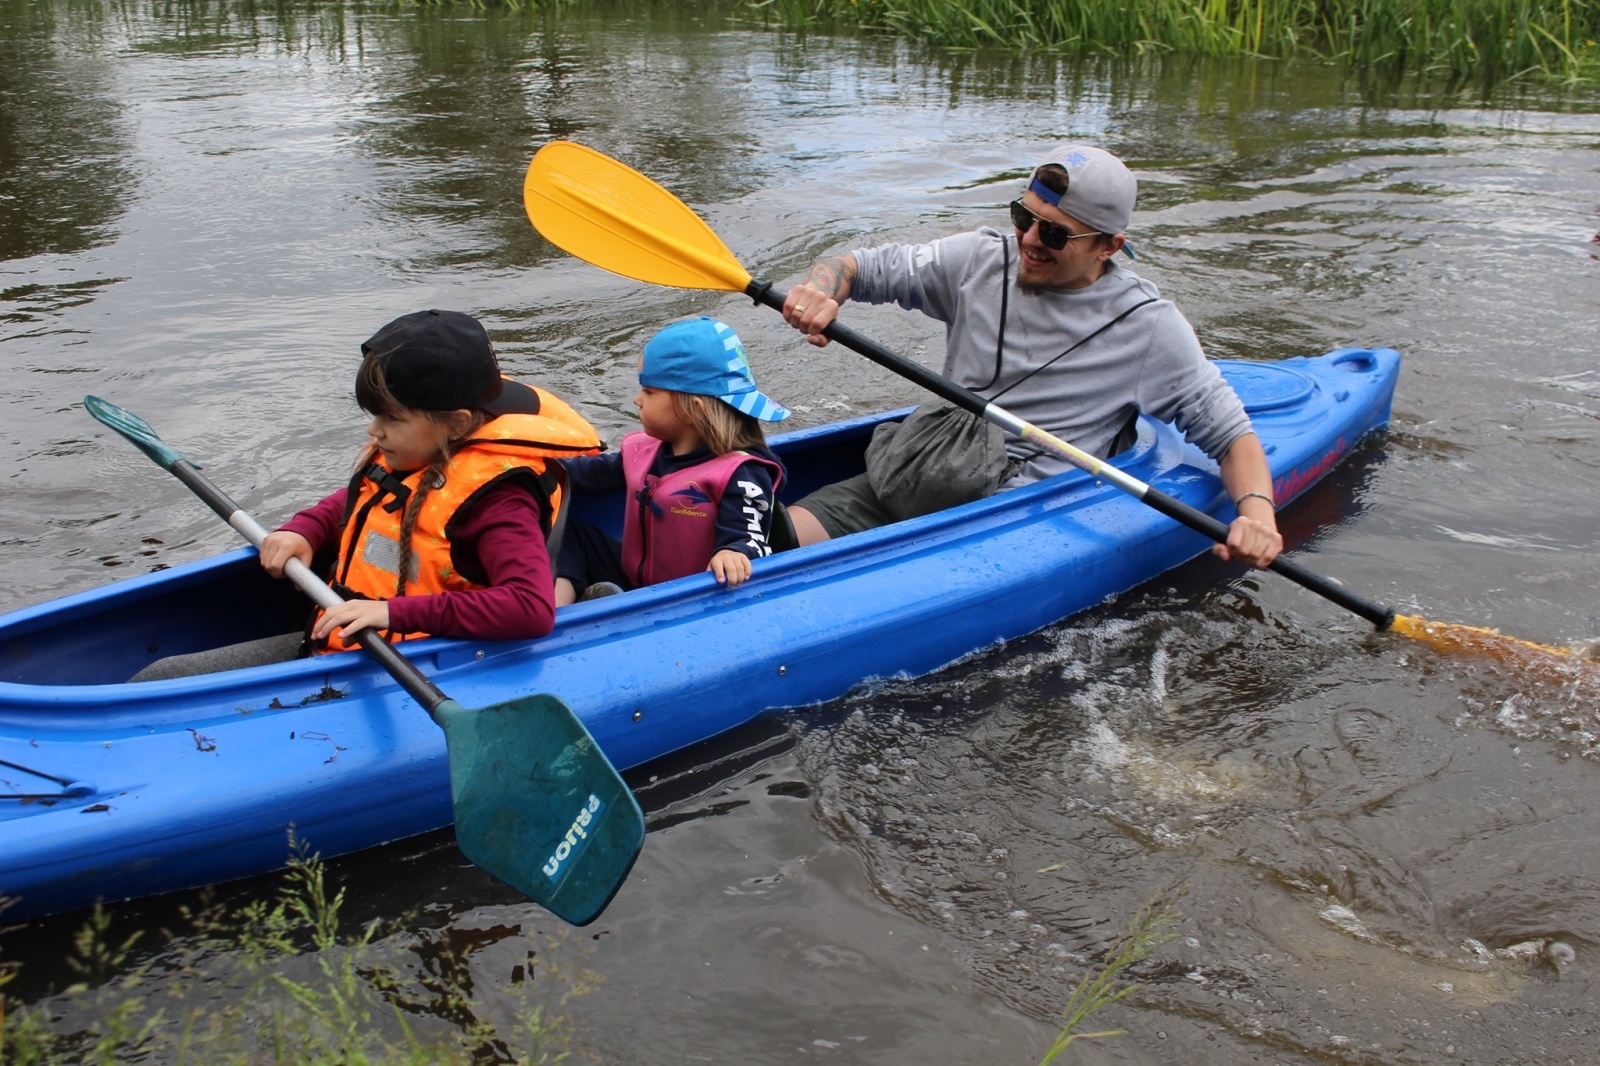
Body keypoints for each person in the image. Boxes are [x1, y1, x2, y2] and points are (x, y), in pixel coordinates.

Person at [778, 144, 1283, 570]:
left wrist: (1257, 515)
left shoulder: (1150, 329)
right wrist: (821, 291)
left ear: (1109, 246)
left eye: (1057, 233)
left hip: (1012, 520)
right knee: (772, 544)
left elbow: (1232, 438)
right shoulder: (978, 259)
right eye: (1025, 217)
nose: (1031, 241)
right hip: (917, 471)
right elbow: (854, 266)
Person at [132, 309, 600, 680]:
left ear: (456, 422)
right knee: (163, 674)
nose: (373, 431)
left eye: (391, 419)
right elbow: (363, 499)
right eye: (374, 415)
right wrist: (307, 530)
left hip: (427, 663)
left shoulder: (499, 500)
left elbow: (528, 609)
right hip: (353, 645)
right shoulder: (412, 453)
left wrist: (388, 611)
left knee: (165, 678)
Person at [553, 316, 790, 605]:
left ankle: (595, 606)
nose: (636, 400)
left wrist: (735, 552)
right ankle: (559, 611)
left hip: (687, 595)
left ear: (694, 410)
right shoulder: (647, 450)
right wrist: (541, 469)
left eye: (649, 392)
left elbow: (749, 534)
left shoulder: (741, 474)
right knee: (566, 531)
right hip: (631, 576)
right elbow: (592, 474)